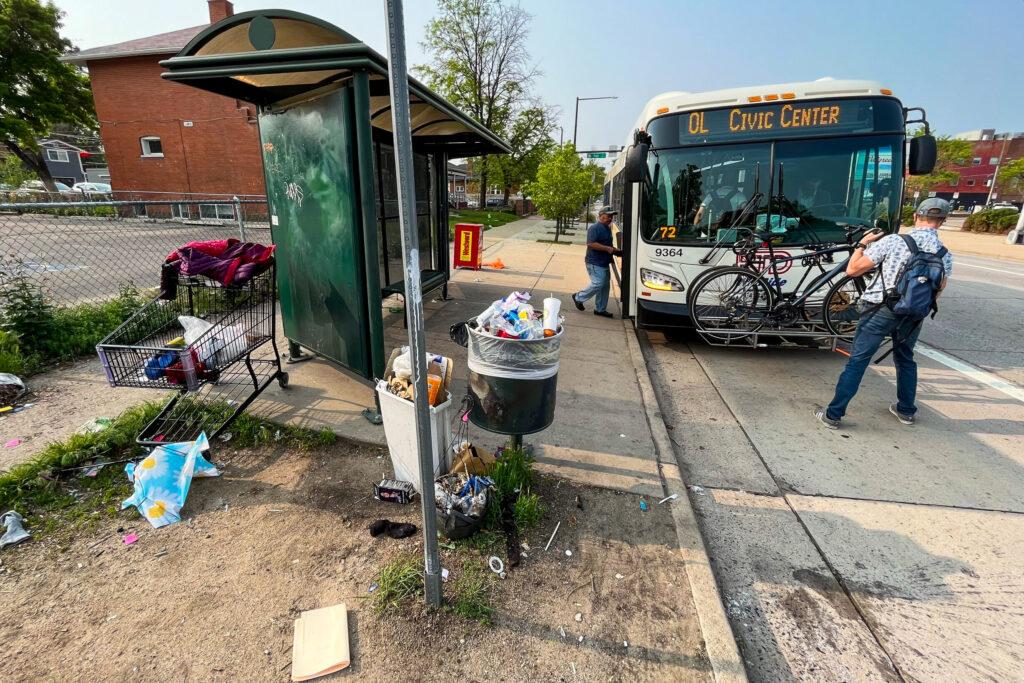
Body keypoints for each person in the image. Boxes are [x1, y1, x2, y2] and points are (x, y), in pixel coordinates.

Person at [815, 197, 954, 428]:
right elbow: (939, 288)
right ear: (942, 221)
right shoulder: (944, 253)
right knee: (906, 359)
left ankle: (833, 414)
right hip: (914, 314)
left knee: (858, 360)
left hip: (880, 308)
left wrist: (861, 245)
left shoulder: (894, 241)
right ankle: (906, 410)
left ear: (916, 217)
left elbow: (853, 270)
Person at [572, 206, 620, 318]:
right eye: (608, 216)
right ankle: (578, 297)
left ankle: (600, 309)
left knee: (605, 286)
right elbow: (591, 243)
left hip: (604, 261)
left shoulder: (607, 228)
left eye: (611, 216)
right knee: (598, 283)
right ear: (601, 215)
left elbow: (607, 244)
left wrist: (614, 251)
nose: (610, 218)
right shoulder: (595, 228)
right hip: (594, 262)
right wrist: (607, 249)